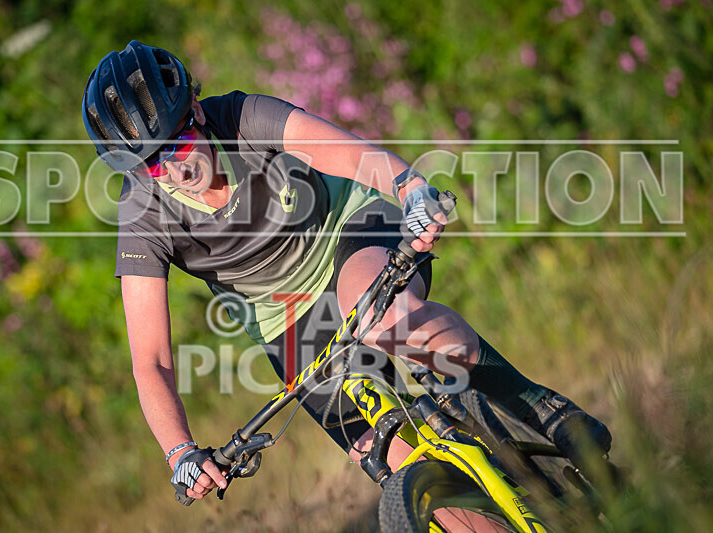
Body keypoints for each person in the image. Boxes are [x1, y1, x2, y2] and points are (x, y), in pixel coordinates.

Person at [82, 41, 611, 505]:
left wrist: (410, 188)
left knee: (387, 323)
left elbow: (351, 155)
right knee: (391, 462)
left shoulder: (242, 117)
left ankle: (542, 407)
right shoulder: (143, 215)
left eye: (176, 145)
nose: (173, 169)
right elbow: (149, 359)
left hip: (348, 234)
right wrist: (180, 452)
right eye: (150, 164)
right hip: (285, 317)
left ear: (195, 109)